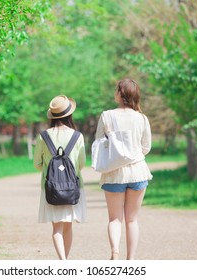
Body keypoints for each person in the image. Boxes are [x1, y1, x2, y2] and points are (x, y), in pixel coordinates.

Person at [94, 78, 152, 260]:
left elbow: (99, 142)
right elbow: (146, 147)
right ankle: (131, 260)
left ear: (120, 93)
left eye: (116, 90)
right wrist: (132, 153)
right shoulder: (142, 118)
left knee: (114, 219)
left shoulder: (106, 115)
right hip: (137, 171)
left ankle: (115, 252)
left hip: (113, 174)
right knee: (132, 219)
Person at [33, 95, 86, 260]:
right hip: (73, 187)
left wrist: (50, 171)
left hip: (51, 188)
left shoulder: (43, 136)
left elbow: (37, 163)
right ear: (69, 115)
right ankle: (65, 261)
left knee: (56, 229)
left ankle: (62, 261)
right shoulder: (77, 136)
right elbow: (81, 164)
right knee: (68, 226)